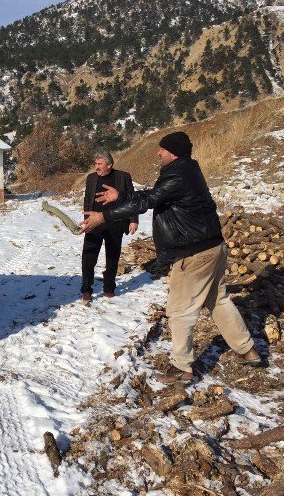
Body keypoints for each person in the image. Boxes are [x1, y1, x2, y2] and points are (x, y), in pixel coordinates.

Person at [80, 132, 260, 384]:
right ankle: (247, 349)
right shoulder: (188, 169)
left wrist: (104, 216)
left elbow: (150, 199)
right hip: (213, 247)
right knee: (218, 300)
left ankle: (182, 368)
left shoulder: (177, 173)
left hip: (194, 253)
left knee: (179, 310)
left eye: (162, 149)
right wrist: (121, 197)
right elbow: (155, 196)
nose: (157, 153)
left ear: (173, 152)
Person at [81, 151, 138, 304]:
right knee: (88, 256)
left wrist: (133, 219)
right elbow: (87, 199)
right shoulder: (91, 178)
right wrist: (87, 220)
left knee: (112, 257)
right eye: (95, 164)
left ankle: (109, 288)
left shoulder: (123, 177)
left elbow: (132, 200)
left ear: (109, 165)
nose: (96, 167)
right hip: (94, 223)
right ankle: (86, 289)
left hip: (116, 223)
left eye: (99, 164)